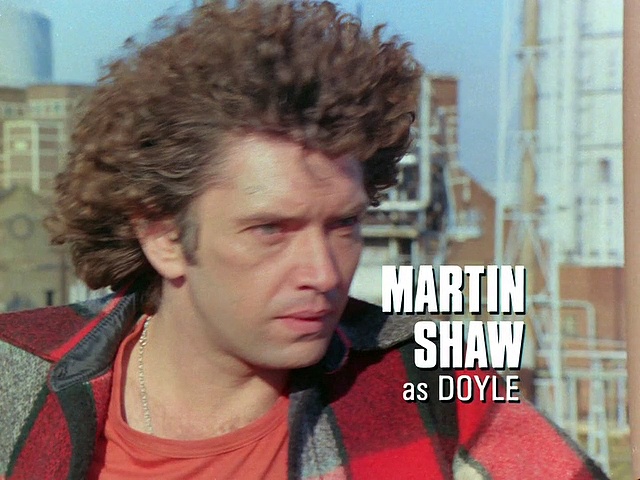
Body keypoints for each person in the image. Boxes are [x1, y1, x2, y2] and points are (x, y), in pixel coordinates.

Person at [0, 1, 608, 479]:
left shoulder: (440, 394)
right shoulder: (15, 377)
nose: (323, 272)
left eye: (343, 225)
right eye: (271, 229)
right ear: (162, 235)